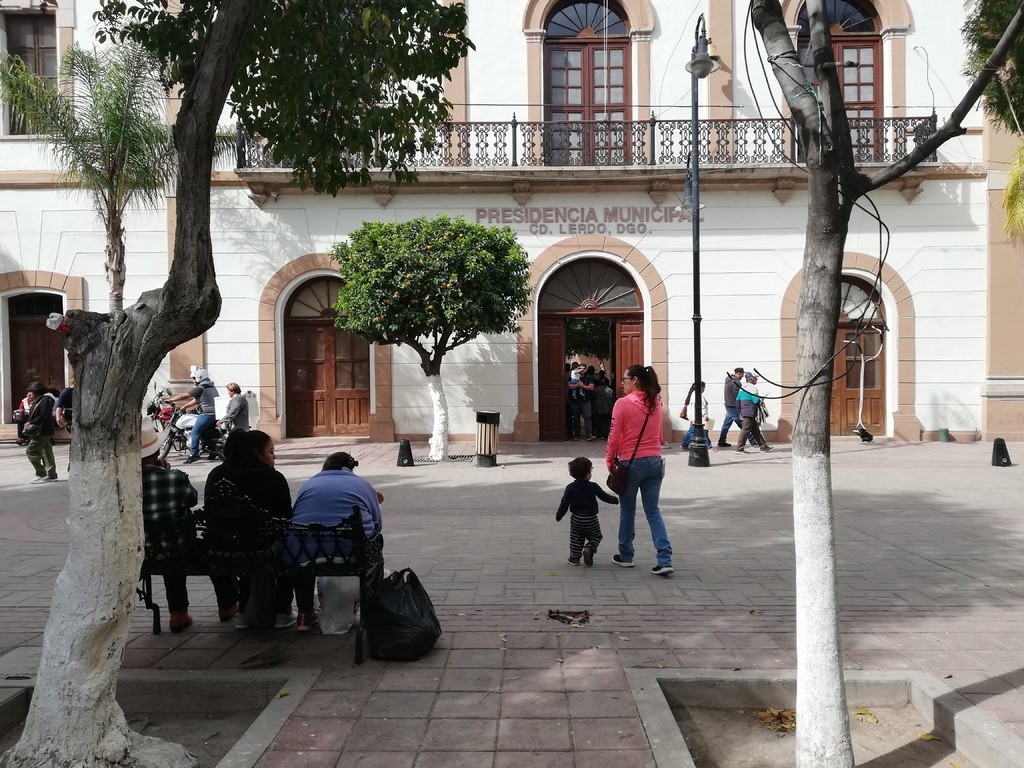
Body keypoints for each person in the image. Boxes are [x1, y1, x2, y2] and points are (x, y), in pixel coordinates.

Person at [140, 423, 239, 633]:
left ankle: (178, 614)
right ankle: (227, 604)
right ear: (157, 452)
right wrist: (166, 472)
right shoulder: (174, 477)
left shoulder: (127, 482)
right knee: (211, 554)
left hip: (146, 552)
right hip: (180, 547)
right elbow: (192, 499)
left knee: (167, 557)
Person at [205, 429, 295, 629]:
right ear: (256, 454)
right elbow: (285, 518)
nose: (275, 457)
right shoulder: (272, 478)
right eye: (271, 452)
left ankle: (244, 612)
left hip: (221, 549)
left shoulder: (216, 475)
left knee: (245, 542)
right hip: (262, 550)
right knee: (290, 545)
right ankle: (282, 610)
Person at [287, 452, 383, 631]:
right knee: (377, 550)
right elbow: (377, 525)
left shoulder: (309, 483)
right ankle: (373, 612)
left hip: (304, 553)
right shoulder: (363, 484)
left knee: (303, 557)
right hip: (351, 553)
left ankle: (304, 615)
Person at [606, 365, 673, 575]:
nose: (622, 383)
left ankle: (626, 555)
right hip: (655, 462)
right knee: (653, 511)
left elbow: (614, 435)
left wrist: (609, 460)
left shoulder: (622, 403)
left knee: (628, 511)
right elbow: (660, 436)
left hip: (631, 463)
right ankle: (665, 559)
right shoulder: (656, 402)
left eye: (624, 379)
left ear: (635, 380)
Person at [555, 456, 617, 567]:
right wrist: (615, 500)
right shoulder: (593, 486)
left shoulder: (570, 488)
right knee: (596, 536)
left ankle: (574, 558)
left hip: (576, 518)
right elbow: (604, 497)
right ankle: (589, 548)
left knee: (576, 537)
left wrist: (559, 515)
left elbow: (564, 503)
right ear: (588, 474)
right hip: (591, 519)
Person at [166, 366, 219, 464]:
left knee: (195, 432)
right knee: (205, 432)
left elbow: (183, 396)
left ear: (199, 377)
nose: (193, 380)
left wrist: (171, 400)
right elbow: (196, 400)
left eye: (194, 378)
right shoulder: (210, 386)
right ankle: (212, 451)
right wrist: (185, 406)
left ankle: (194, 454)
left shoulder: (201, 388)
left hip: (207, 414)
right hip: (214, 414)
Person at [23, 381, 57, 483]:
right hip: (43, 430)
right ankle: (51, 474)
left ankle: (40, 473)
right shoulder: (37, 401)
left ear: (37, 392)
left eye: (31, 392)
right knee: (46, 452)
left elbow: (43, 415)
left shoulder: (45, 399)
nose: (28, 395)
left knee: (31, 451)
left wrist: (31, 422)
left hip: (42, 430)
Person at [736, 372, 774, 453]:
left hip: (745, 411)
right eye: (755, 378)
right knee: (745, 431)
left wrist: (741, 412)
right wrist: (761, 398)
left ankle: (763, 446)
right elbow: (756, 401)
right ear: (751, 379)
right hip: (751, 411)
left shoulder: (742, 388)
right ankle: (739, 448)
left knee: (756, 431)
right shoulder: (753, 388)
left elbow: (737, 401)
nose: (756, 380)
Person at [719, 367, 755, 448]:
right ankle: (752, 440)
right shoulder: (737, 382)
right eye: (742, 375)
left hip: (728, 404)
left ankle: (721, 441)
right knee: (742, 424)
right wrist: (741, 407)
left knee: (726, 424)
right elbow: (736, 396)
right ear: (739, 373)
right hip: (733, 406)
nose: (742, 377)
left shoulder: (728, 379)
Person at [681, 381, 717, 452]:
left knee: (691, 431)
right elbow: (702, 407)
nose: (704, 389)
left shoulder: (692, 395)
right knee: (704, 432)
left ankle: (685, 444)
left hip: (693, 417)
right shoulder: (699, 396)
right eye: (704, 387)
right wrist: (705, 415)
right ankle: (708, 446)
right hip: (699, 417)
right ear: (701, 388)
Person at [567, 362, 596, 441]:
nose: (582, 370)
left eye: (583, 368)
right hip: (574, 401)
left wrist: (582, 386)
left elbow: (592, 387)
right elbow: (568, 385)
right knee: (576, 418)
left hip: (585, 401)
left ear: (586, 370)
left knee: (587, 417)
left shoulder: (588, 377)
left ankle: (589, 434)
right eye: (580, 368)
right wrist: (577, 385)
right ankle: (576, 434)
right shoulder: (573, 375)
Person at [590, 370, 615, 439]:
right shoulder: (610, 390)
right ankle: (606, 434)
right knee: (607, 422)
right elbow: (613, 399)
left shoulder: (595, 390)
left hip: (598, 409)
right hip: (608, 408)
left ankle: (601, 434)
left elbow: (592, 399)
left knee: (599, 422)